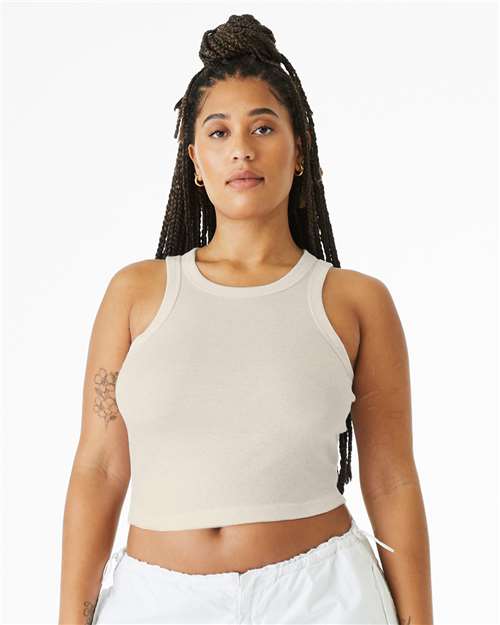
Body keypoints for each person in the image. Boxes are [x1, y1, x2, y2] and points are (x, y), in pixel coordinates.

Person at [58, 13, 433, 625]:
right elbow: (98, 469)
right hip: (156, 602)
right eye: (219, 131)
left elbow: (392, 479)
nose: (242, 148)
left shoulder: (354, 301)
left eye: (263, 127)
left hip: (321, 597)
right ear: (194, 160)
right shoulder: (136, 294)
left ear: (299, 148)